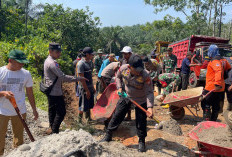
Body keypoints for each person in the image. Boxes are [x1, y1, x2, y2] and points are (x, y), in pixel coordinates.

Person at [100, 55, 154, 152]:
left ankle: (141, 141)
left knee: (141, 121)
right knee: (117, 115)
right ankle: (108, 135)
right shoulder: (124, 69)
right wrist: (120, 87)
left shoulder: (145, 75)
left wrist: (150, 107)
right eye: (136, 69)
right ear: (130, 67)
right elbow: (118, 77)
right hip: (126, 95)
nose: (138, 71)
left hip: (140, 99)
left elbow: (149, 92)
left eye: (140, 69)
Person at [0, 50, 39, 155]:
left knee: (19, 139)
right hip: (2, 111)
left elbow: (30, 93)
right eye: (19, 62)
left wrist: (34, 109)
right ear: (10, 60)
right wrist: (3, 93)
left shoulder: (26, 74)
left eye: (23, 62)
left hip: (20, 110)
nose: (22, 64)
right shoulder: (1, 72)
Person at [44, 43, 87, 134]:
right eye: (57, 52)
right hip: (55, 91)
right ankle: (54, 131)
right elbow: (63, 77)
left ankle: (52, 128)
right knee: (61, 112)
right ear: (50, 51)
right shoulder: (52, 63)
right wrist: (78, 78)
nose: (59, 54)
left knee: (52, 111)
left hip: (50, 90)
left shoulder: (48, 60)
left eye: (60, 52)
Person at [201, 45, 231, 121]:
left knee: (205, 103)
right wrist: (223, 78)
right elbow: (229, 68)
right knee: (216, 105)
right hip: (221, 88)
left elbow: (218, 71)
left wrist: (217, 84)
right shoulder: (223, 60)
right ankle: (213, 121)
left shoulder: (215, 61)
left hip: (212, 87)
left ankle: (207, 121)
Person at [77, 47, 96, 123]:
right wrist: (87, 90)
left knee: (89, 104)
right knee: (82, 105)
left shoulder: (90, 63)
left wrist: (92, 88)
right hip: (84, 88)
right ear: (87, 54)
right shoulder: (81, 64)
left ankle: (88, 119)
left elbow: (90, 77)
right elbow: (82, 79)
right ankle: (79, 121)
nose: (93, 56)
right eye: (91, 54)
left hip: (90, 87)